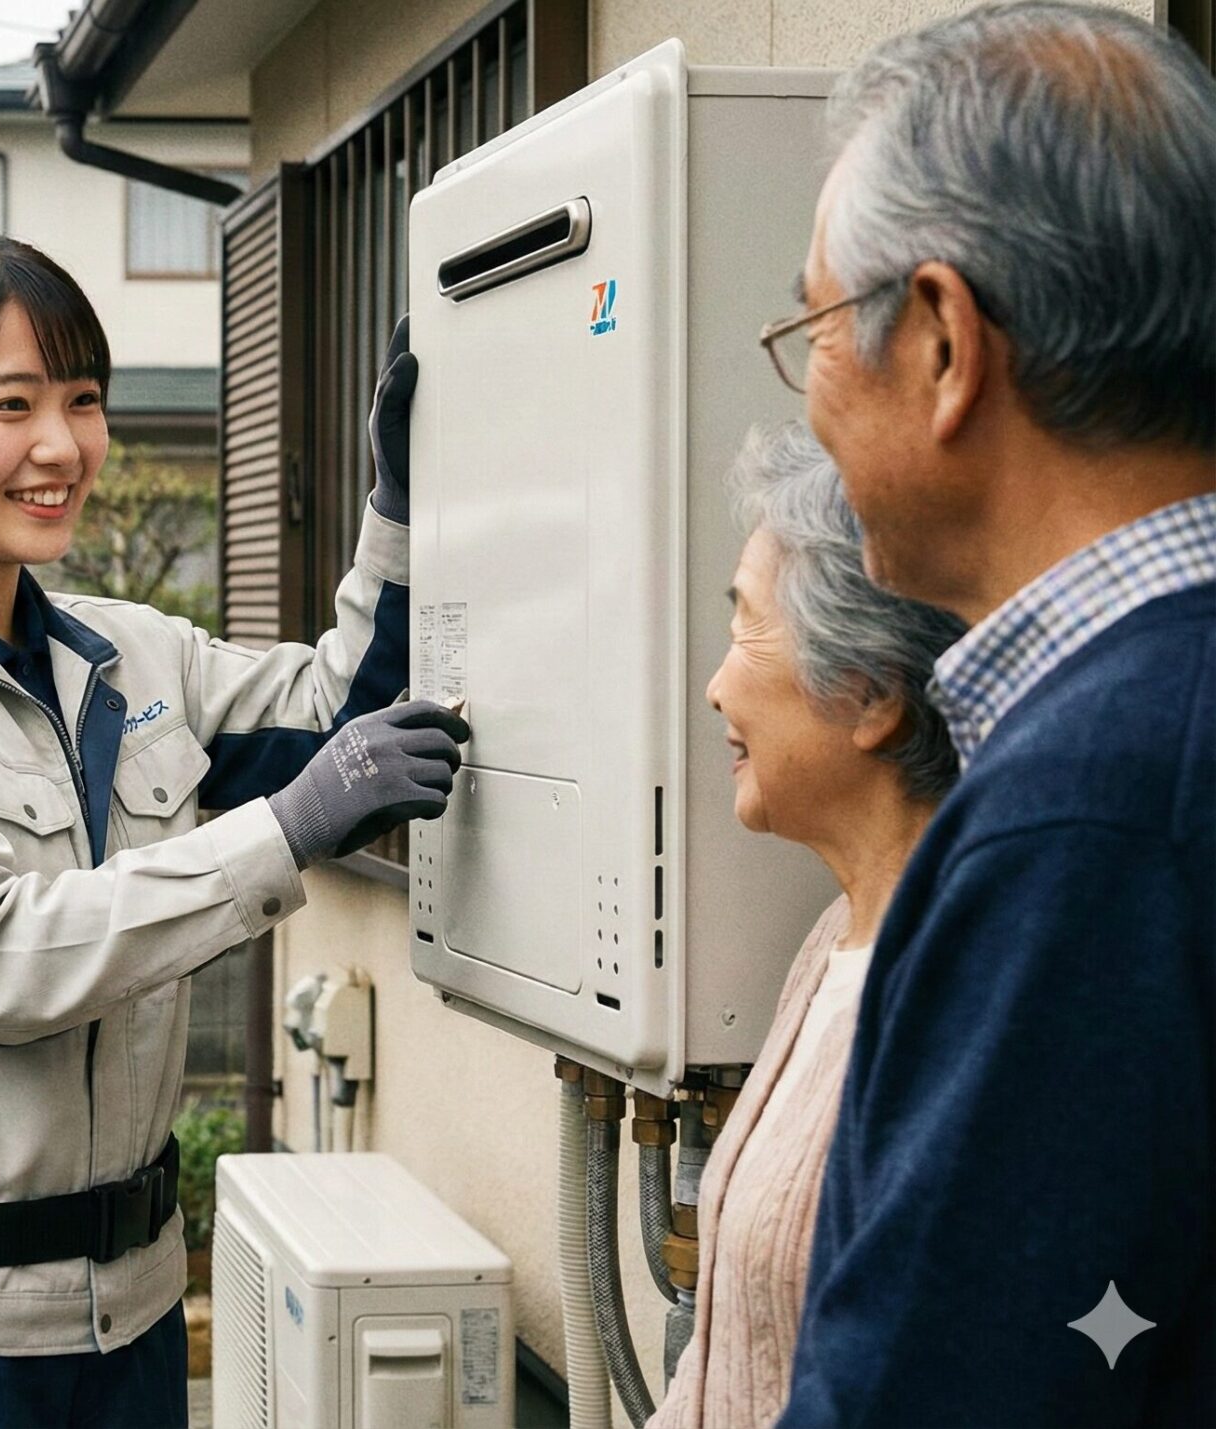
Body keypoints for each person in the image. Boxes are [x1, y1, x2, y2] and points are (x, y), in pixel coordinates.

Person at [0, 228, 466, 1426]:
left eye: (83, 400)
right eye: (9, 406)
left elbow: (350, 721)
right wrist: (286, 829)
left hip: (138, 1311)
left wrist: (403, 505)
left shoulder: (131, 654)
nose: (61, 446)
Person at [769, 5, 1216, 1422]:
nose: (814, 394)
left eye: (820, 324)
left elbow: (945, 1381)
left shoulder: (1085, 815)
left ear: (948, 343)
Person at [645, 423, 964, 1429]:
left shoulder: (959, 993)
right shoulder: (834, 937)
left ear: (867, 693)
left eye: (743, 628)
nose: (714, 686)